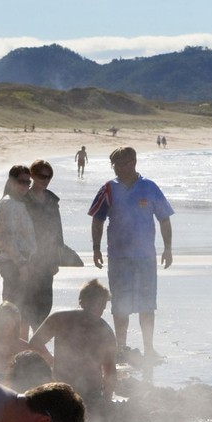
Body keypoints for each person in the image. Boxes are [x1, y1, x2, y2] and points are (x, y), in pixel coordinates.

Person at [89, 146, 174, 358]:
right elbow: (97, 219)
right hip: (119, 257)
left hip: (145, 257)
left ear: (133, 163)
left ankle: (148, 348)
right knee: (120, 304)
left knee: (147, 304)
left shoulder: (149, 187)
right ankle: (121, 347)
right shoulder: (108, 188)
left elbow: (164, 218)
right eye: (115, 165)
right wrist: (96, 248)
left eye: (122, 164)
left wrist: (168, 248)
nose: (118, 168)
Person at [28, 280, 118, 410]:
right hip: (64, 389)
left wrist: (106, 400)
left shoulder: (104, 331)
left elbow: (110, 370)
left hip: (88, 391)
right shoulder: (60, 319)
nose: (99, 310)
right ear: (82, 301)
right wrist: (51, 362)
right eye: (96, 305)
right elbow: (34, 344)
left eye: (102, 306)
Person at [23, 159, 64, 328]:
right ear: (32, 175)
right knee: (28, 300)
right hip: (28, 256)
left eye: (49, 177)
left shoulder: (52, 200)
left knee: (46, 301)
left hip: (47, 257)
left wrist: (57, 258)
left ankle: (36, 339)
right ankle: (28, 344)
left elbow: (57, 229)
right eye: (42, 176)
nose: (45, 180)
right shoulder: (23, 199)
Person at [0, 165, 37, 316]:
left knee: (18, 310)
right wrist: (21, 264)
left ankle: (10, 338)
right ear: (12, 182)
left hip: (18, 260)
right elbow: (8, 237)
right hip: (13, 262)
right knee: (13, 309)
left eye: (28, 183)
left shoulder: (16, 202)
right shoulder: (9, 204)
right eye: (21, 181)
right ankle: (5, 339)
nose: (25, 186)